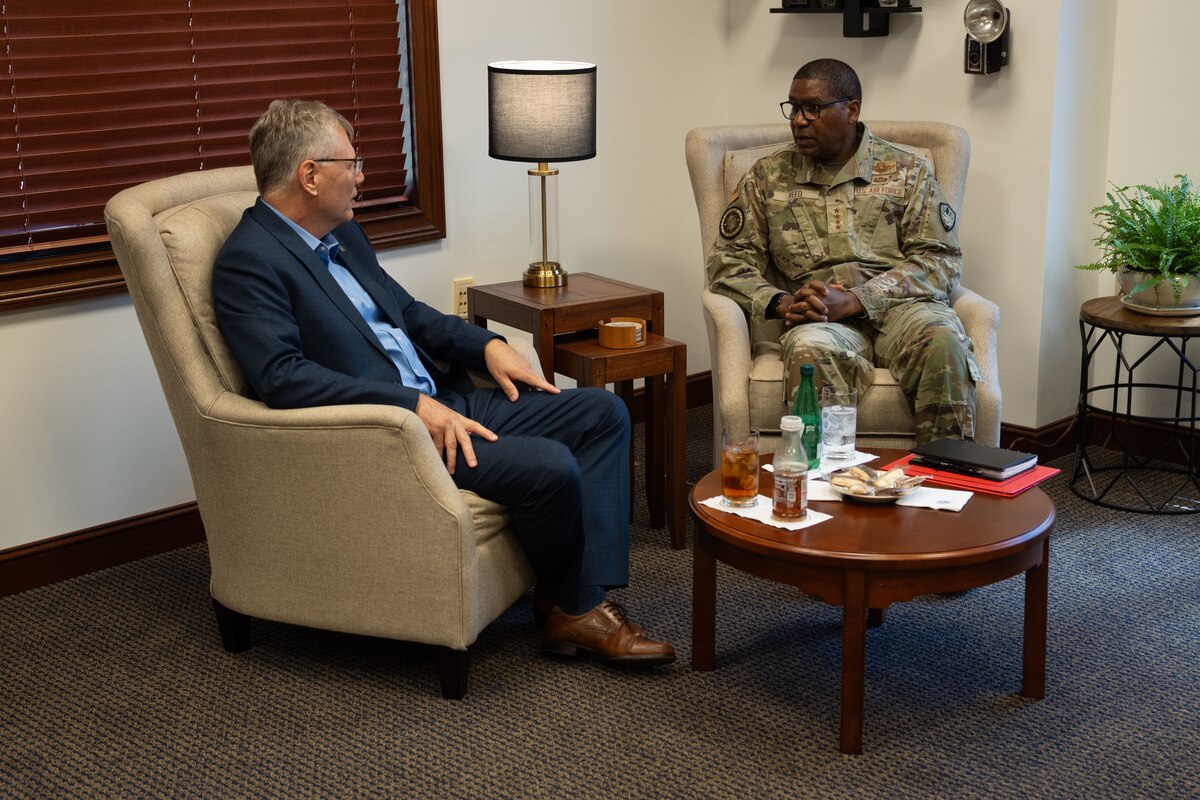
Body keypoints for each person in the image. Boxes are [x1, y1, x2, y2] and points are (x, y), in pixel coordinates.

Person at [212, 99, 674, 667]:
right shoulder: (250, 260)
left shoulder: (343, 235)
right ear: (310, 175)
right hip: (396, 433)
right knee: (551, 466)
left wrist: (488, 345)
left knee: (602, 414)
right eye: (352, 164)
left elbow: (407, 312)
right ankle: (580, 612)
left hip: (447, 400)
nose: (362, 177)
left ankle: (571, 599)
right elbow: (282, 379)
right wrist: (410, 405)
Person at [706, 59, 980, 443]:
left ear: (851, 110)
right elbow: (727, 263)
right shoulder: (768, 177)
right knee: (809, 349)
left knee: (944, 341)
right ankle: (819, 487)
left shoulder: (906, 171)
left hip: (902, 311)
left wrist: (856, 299)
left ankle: (946, 479)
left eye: (813, 108)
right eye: (793, 107)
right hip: (818, 318)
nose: (799, 120)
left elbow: (940, 261)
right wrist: (783, 303)